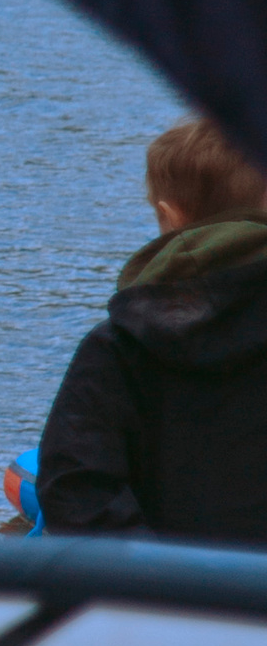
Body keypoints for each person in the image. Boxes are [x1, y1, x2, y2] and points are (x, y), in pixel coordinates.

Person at [37, 117, 267, 541]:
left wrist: (163, 585)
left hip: (167, 597)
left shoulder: (119, 347)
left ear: (168, 218)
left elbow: (74, 490)